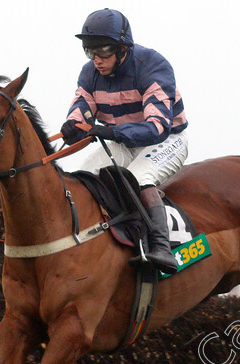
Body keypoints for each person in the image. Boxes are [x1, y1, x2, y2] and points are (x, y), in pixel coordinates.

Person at [60, 8, 189, 275]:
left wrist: (108, 132)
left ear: (122, 48)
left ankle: (161, 247)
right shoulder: (89, 73)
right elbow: (83, 104)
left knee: (138, 176)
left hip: (167, 139)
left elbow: (156, 128)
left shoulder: (153, 66)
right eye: (90, 51)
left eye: (103, 51)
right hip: (124, 141)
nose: (96, 59)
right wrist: (73, 124)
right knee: (83, 177)